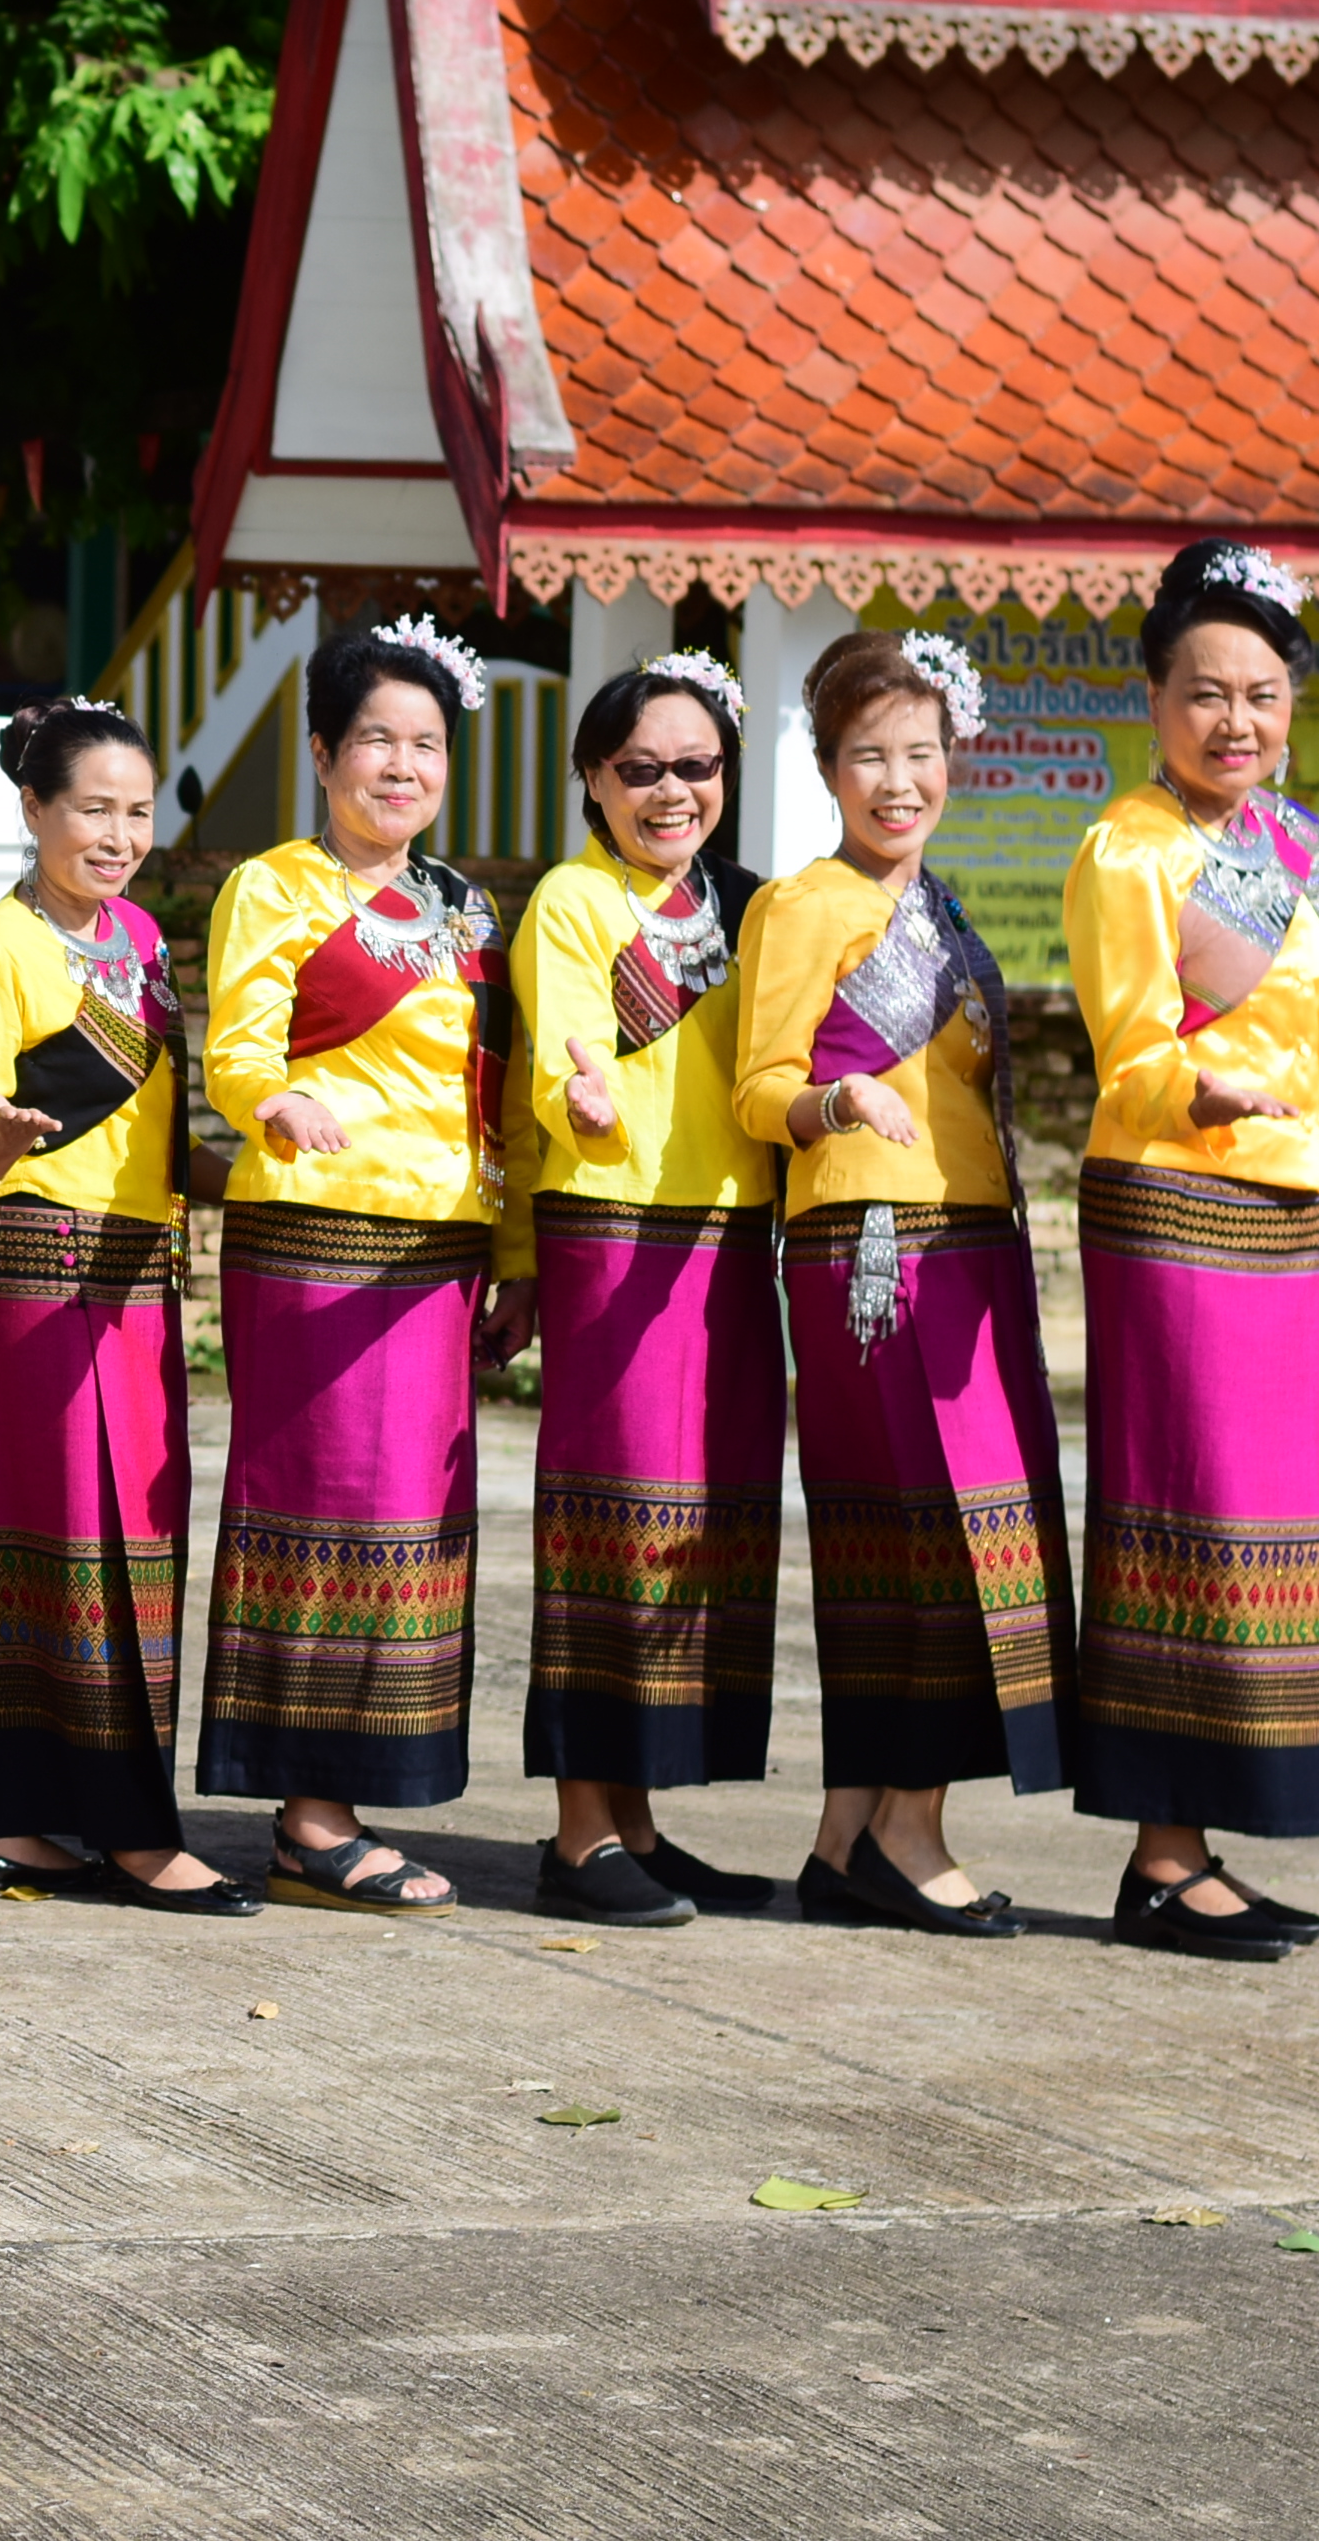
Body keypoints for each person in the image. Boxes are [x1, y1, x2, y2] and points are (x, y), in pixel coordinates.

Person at [197, 619, 535, 1912]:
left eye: (428, 745)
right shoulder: (274, 887)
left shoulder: (465, 907)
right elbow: (235, 1047)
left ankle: (348, 1796)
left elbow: (486, 1097)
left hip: (439, 1248)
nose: (402, 765)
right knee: (322, 1507)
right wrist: (273, 1103)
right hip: (317, 1240)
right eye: (378, 740)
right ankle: (308, 1815)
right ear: (325, 752)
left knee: (409, 1520)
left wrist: (513, 1261)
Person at [730, 628, 1063, 1938]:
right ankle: (910, 1832)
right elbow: (759, 1091)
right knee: (932, 1537)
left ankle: (842, 1842)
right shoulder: (805, 906)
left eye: (921, 754)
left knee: (928, 1533)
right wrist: (838, 1097)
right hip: (873, 1251)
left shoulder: (943, 908)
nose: (899, 780)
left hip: (968, 1248)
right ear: (825, 769)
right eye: (869, 756)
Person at [1060, 541, 1319, 1960]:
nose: (1236, 722)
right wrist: (1205, 1085)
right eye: (1206, 695)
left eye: (1261, 695)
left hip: (1274, 1214)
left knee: (1260, 1528)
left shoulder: (1273, 845)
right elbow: (1129, 1045)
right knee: (1183, 1513)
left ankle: (1197, 1844)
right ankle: (1163, 1857)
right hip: (1178, 1203)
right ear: (1155, 701)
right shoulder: (1133, 846)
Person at [0, 697, 251, 1913]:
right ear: (31, 808)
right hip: (36, 1265)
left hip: (135, 1270)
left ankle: (21, 1823)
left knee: (132, 1538)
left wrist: (266, 1172)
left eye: (134, 808)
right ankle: (122, 1829)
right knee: (58, 1538)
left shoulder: (142, 943)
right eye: (90, 808)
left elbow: (170, 1140)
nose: (117, 833)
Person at [512, 657, 788, 1926]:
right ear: (591, 780)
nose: (669, 791)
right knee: (609, 1522)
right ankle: (577, 1831)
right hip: (613, 1229)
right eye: (640, 769)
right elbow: (561, 1056)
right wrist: (581, 1100)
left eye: (695, 767)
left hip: (728, 1238)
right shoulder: (573, 900)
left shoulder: (747, 908)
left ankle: (637, 1818)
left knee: (696, 1528)